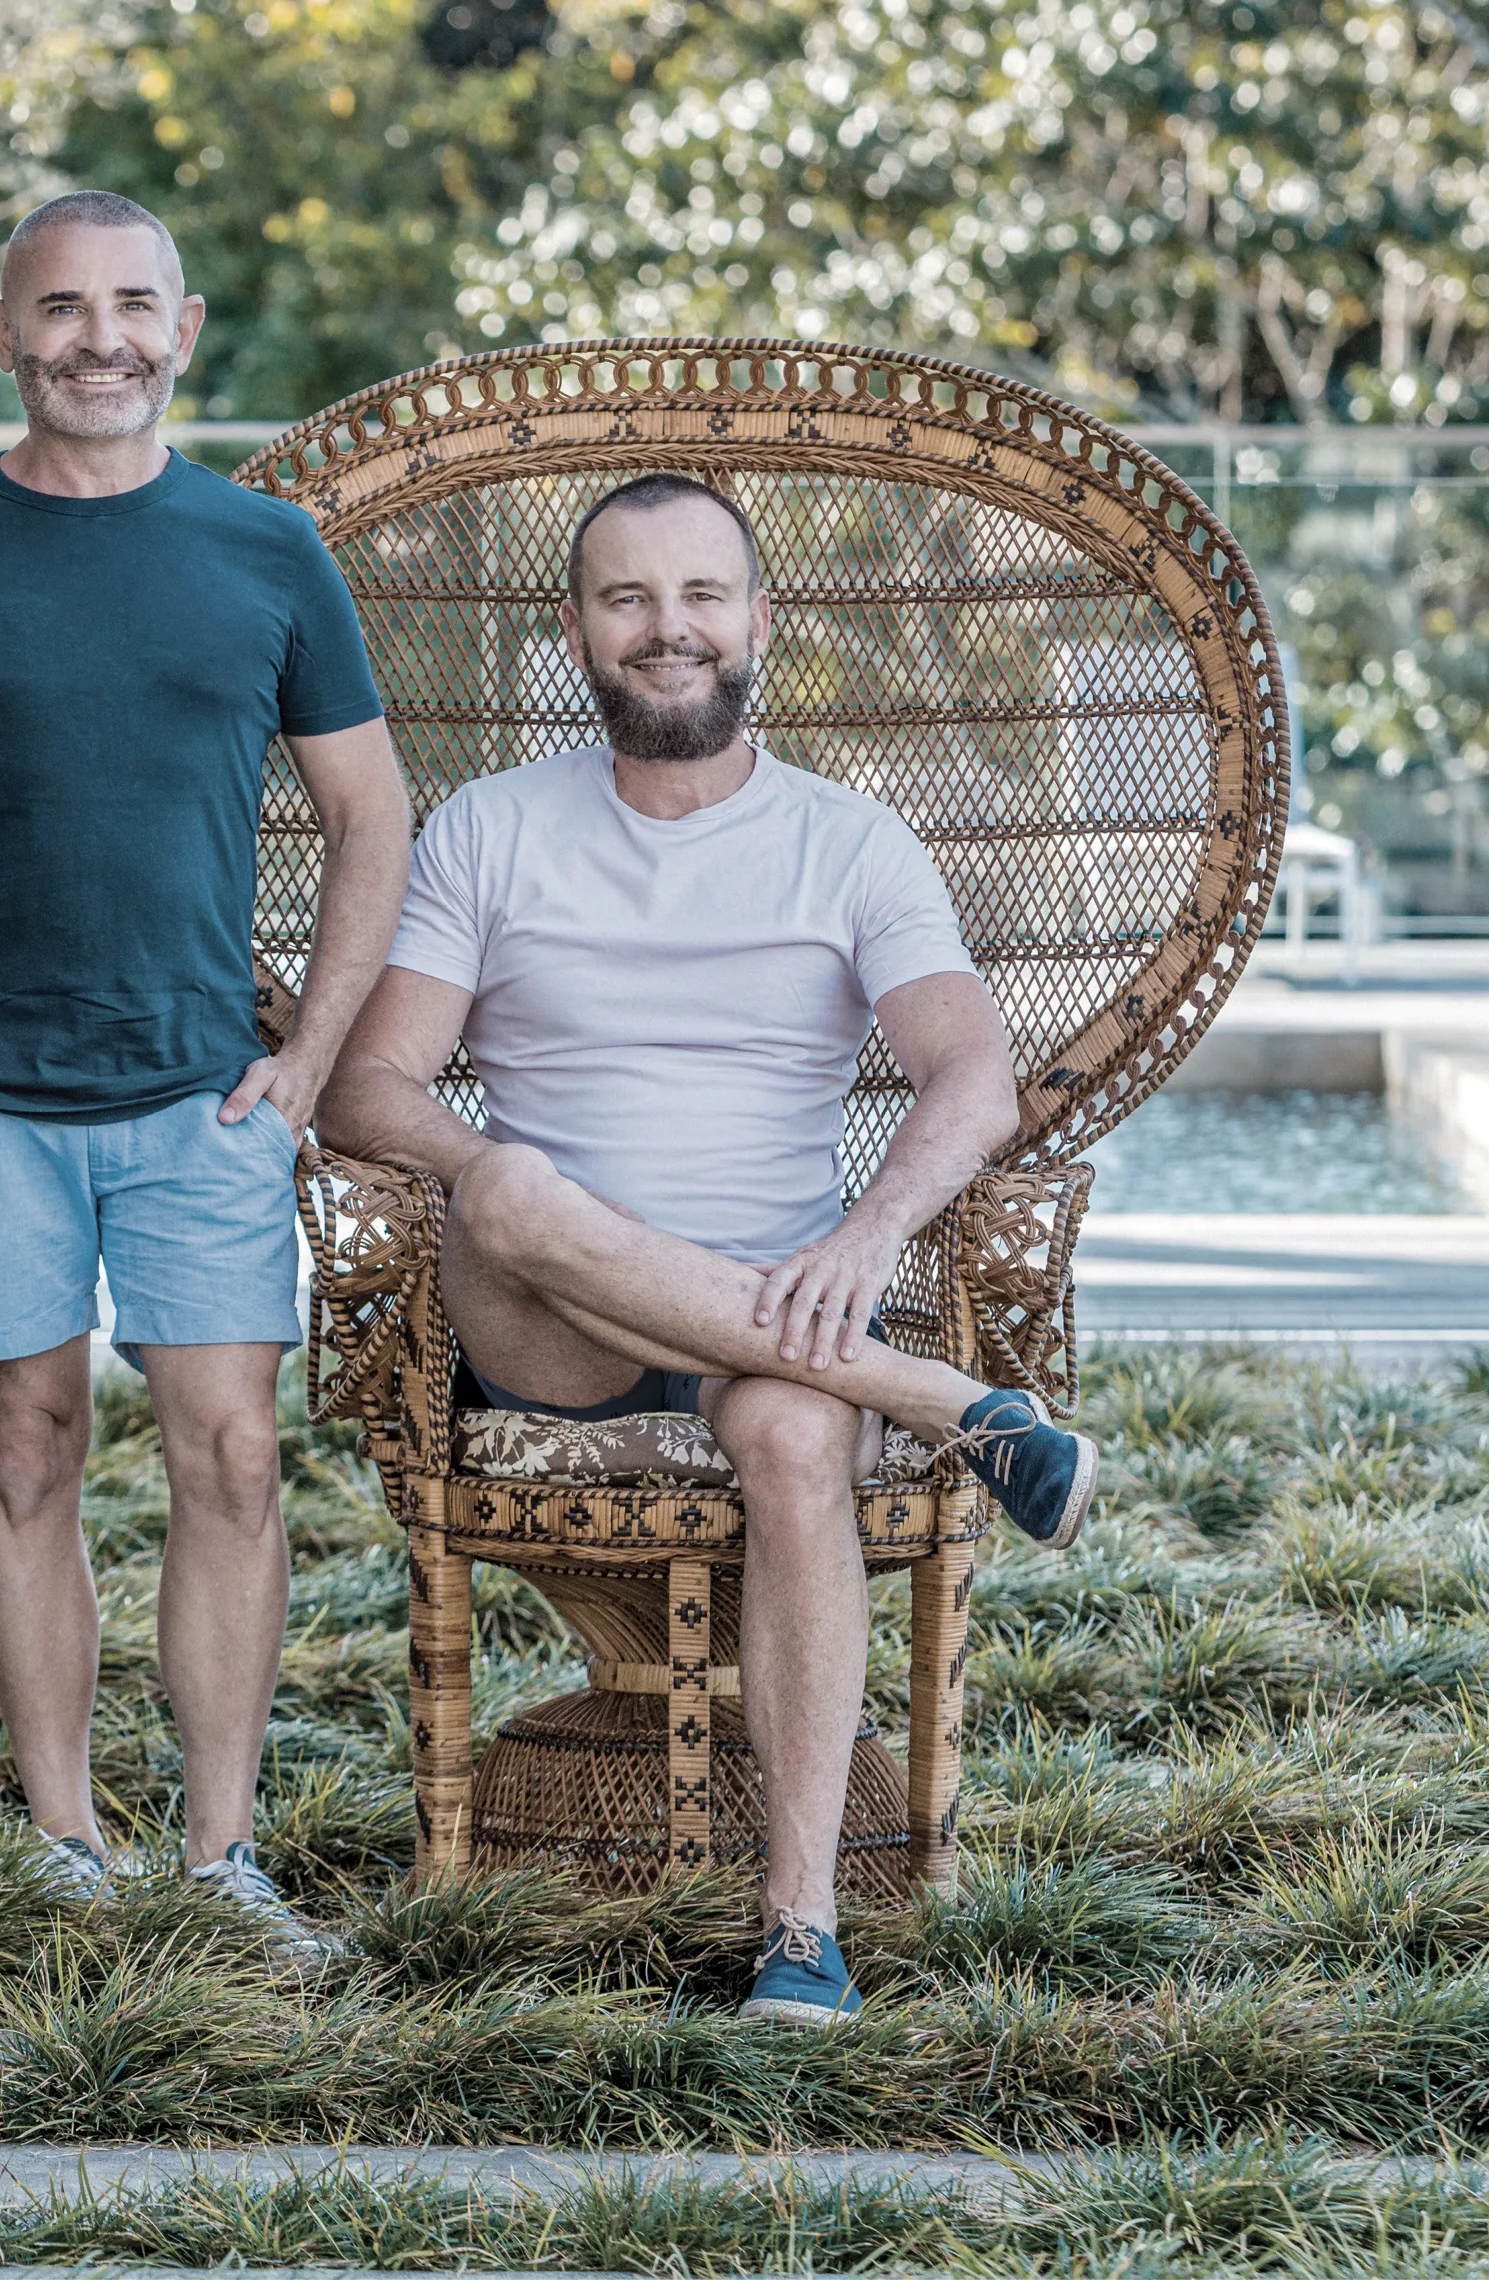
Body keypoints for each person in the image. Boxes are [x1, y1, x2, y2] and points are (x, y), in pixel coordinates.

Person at [318, 471, 1097, 2023]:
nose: (666, 630)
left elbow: (975, 1079)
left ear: (757, 621)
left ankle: (800, 1929)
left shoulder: (851, 842)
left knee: (803, 1434)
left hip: (787, 1311)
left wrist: (873, 1230)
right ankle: (948, 1404)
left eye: (699, 597)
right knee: (516, 1189)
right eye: (627, 599)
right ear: (577, 631)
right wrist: (488, 1172)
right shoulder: (491, 825)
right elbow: (369, 1090)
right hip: (550, 1326)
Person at [0, 192, 412, 1946]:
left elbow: (373, 816)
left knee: (229, 1459)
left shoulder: (268, 551)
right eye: (59, 308)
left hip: (203, 1095)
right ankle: (64, 1842)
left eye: (132, 305)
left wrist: (311, 1064)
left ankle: (221, 1858)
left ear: (185, 329)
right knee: (24, 1453)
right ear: (2, 335)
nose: (98, 337)